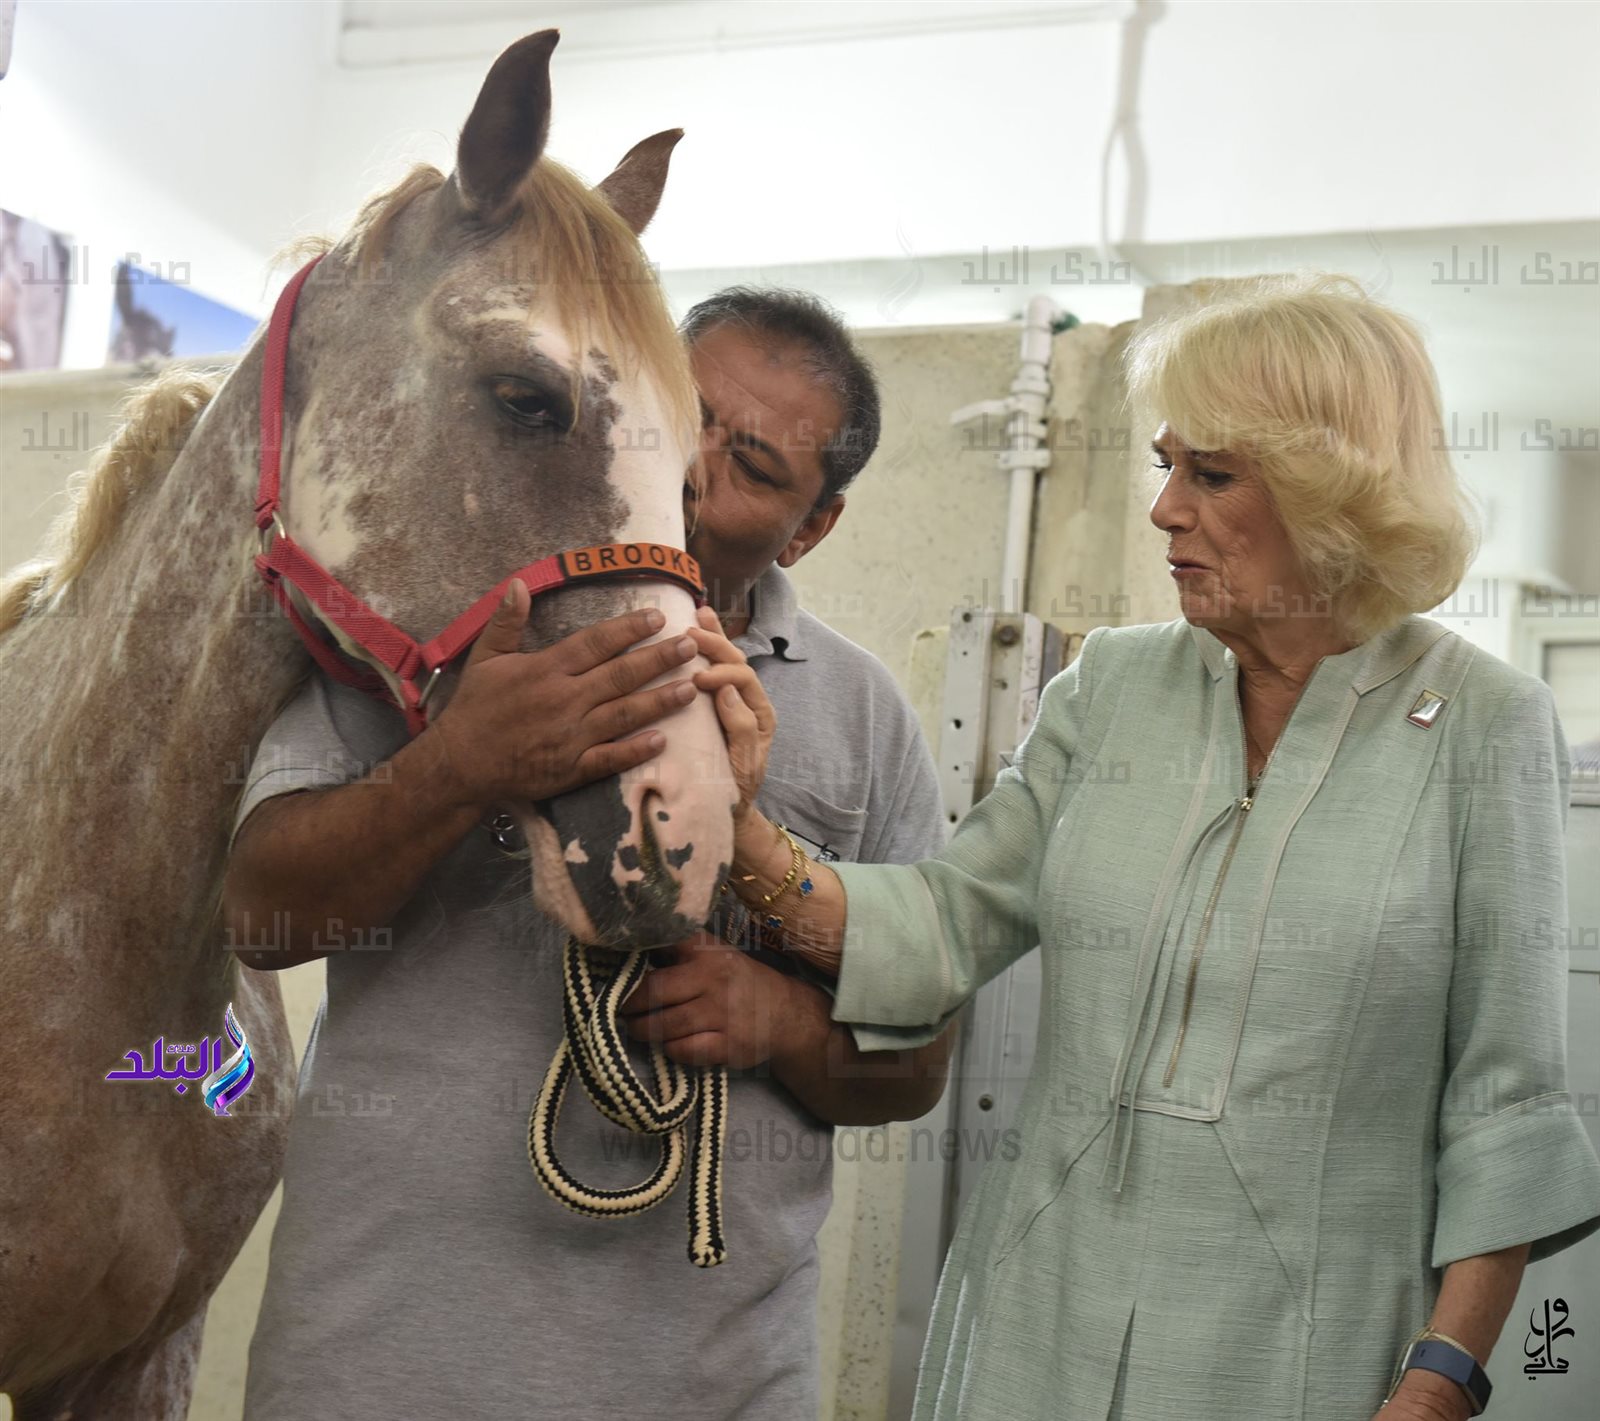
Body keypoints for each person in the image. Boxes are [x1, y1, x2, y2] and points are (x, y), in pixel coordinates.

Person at [709, 274, 1600, 1421]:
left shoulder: (1483, 722)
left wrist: (1439, 1382)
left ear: (1334, 493)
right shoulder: (1113, 687)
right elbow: (941, 918)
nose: (1164, 509)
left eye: (1210, 473)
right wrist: (728, 827)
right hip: (1033, 1331)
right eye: (1165, 464)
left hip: (1307, 1357)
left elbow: (1507, 1104)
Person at [223, 286, 951, 1418]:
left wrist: (779, 1021)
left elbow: (915, 1063)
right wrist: (460, 763)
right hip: (378, 1364)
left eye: (753, 465)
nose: (698, 471)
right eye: (686, 414)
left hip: (710, 1381)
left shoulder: (864, 717)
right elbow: (262, 917)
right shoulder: (437, 616)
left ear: (812, 528)